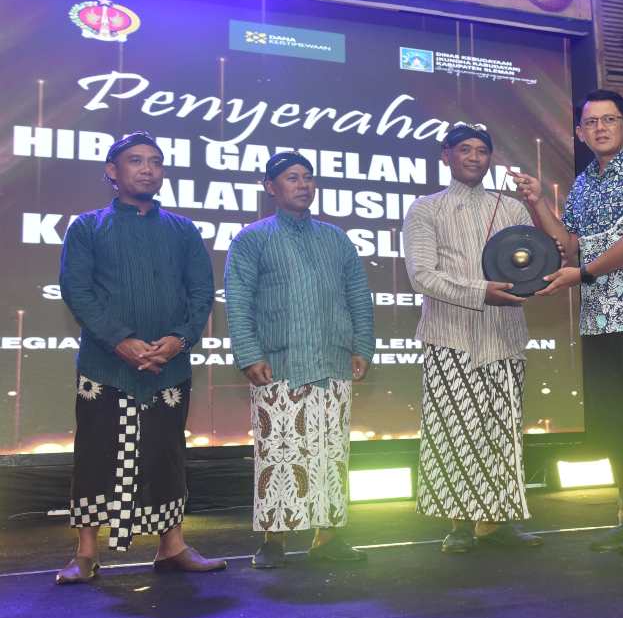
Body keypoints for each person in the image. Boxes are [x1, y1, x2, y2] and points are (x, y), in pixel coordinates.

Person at [514, 89, 623, 556]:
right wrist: (536, 203)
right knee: (616, 421)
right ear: (579, 132)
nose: (600, 128)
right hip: (599, 318)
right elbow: (568, 244)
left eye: (609, 119)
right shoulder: (586, 181)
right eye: (591, 123)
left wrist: (586, 272)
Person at [56, 131, 226, 584]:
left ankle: (172, 548)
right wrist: (122, 341)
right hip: (105, 366)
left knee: (167, 454)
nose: (147, 168)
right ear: (112, 172)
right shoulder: (87, 227)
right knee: (95, 455)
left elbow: (200, 293)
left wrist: (178, 339)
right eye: (136, 161)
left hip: (169, 366)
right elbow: (78, 291)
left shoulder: (183, 230)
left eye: (155, 161)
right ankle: (87, 553)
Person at [225, 151, 375, 568]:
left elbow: (358, 297)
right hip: (279, 364)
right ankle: (274, 541)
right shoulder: (252, 238)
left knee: (331, 455)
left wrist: (363, 346)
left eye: (308, 177)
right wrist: (249, 354)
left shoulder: (336, 238)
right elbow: (238, 300)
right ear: (270, 187)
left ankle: (329, 538)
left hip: (333, 362)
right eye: (292, 178)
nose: (303, 184)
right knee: (280, 456)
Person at [402, 124, 543, 554]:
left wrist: (526, 284)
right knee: (452, 431)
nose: (475, 157)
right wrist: (481, 291)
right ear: (446, 156)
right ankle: (458, 525)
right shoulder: (426, 209)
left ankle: (495, 521)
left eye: (483, 151)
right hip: (450, 337)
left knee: (502, 432)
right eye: (465, 149)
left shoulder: (514, 209)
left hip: (504, 335)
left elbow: (533, 263)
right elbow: (421, 276)